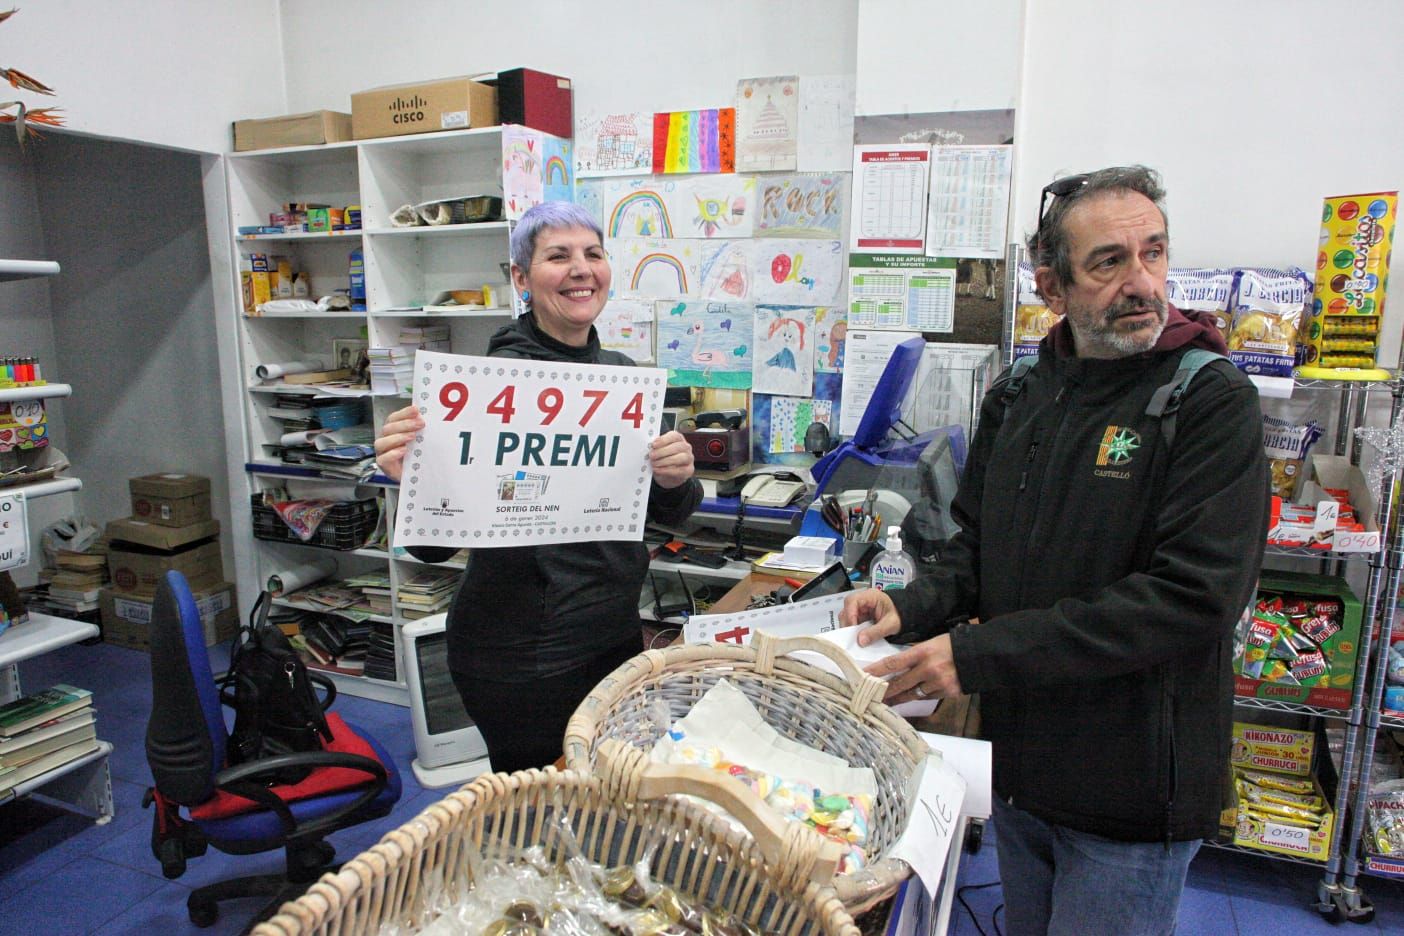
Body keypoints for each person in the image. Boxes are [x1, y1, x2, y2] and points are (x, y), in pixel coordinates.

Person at [841, 166, 1270, 935]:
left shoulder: (1209, 401)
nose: (1141, 282)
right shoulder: (1020, 395)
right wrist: (909, 603)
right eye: (1109, 261)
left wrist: (974, 657)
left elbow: (1191, 599)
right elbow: (979, 548)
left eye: (1154, 253)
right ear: (1053, 285)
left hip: (1132, 793)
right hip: (1022, 769)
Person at [374, 201, 701, 772]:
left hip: (613, 636)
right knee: (537, 813)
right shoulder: (480, 392)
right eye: (558, 256)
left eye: (592, 254)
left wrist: (676, 476)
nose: (581, 268)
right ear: (522, 279)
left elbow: (669, 514)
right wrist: (414, 485)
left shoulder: (626, 380)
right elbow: (429, 549)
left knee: (602, 797)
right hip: (520, 656)